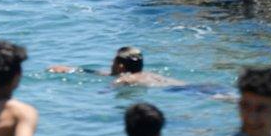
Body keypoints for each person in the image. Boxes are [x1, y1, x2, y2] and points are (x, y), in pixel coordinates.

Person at [48, 46, 182, 87]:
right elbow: (104, 74)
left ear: (120, 66)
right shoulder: (148, 74)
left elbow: (110, 87)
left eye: (113, 61)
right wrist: (71, 70)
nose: (110, 64)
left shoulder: (125, 79)